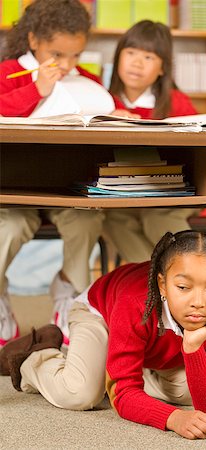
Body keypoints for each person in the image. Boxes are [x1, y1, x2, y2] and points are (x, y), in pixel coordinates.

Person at [0, 231, 206, 440]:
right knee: (81, 393)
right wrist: (172, 418)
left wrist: (193, 348)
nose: (198, 302)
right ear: (162, 284)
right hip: (100, 315)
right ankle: (35, 356)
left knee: (187, 392)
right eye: (183, 287)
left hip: (151, 344)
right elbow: (125, 392)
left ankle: (112, 367)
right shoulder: (134, 303)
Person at [0, 0, 125, 346]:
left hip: (65, 187)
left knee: (85, 222)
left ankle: (70, 292)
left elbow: (106, 110)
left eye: (76, 56)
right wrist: (36, 90)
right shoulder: (10, 72)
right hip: (14, 190)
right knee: (8, 227)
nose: (68, 65)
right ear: (34, 40)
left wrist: (123, 117)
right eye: (58, 54)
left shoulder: (85, 79)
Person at [103, 20, 200, 263]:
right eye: (131, 53)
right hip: (123, 195)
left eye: (148, 57)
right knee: (113, 219)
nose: (136, 63)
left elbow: (199, 150)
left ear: (162, 68)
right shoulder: (103, 101)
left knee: (157, 217)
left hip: (173, 192)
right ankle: (156, 282)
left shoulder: (176, 103)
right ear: (117, 59)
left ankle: (183, 278)